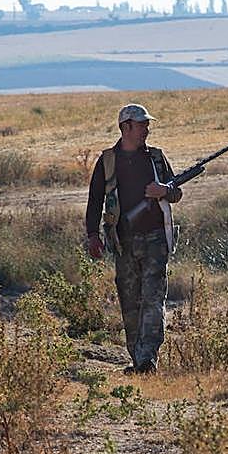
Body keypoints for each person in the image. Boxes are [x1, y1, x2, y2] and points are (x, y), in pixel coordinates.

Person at [84, 103, 182, 374]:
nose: (146, 129)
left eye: (147, 124)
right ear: (125, 127)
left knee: (153, 298)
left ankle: (148, 357)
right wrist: (93, 235)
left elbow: (176, 192)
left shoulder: (157, 158)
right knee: (130, 301)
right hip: (123, 242)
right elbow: (95, 201)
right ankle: (138, 359)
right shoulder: (107, 161)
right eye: (141, 125)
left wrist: (163, 191)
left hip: (155, 240)